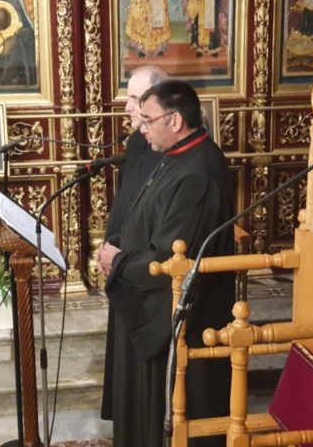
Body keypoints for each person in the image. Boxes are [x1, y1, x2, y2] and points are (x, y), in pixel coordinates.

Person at [98, 79, 235, 447]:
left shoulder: (199, 171)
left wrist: (121, 263)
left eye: (148, 120)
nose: (142, 128)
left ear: (175, 121)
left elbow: (175, 257)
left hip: (185, 314)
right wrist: (118, 247)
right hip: (149, 285)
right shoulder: (177, 155)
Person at [99, 65, 167, 422]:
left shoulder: (167, 148)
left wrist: (124, 256)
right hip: (122, 260)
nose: (127, 107)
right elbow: (125, 201)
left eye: (135, 99)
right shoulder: (138, 142)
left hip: (145, 266)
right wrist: (108, 245)